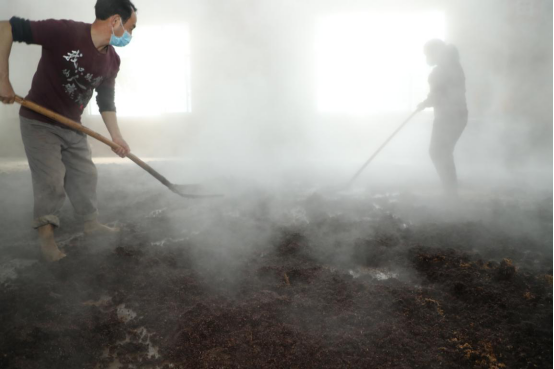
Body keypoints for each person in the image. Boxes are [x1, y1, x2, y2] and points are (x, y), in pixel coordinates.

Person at [0, 0, 138, 262]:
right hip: (38, 121)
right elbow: (5, 28)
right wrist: (2, 79)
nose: (131, 34)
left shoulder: (112, 60)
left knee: (85, 175)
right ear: (115, 21)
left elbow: (105, 101)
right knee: (51, 180)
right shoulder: (65, 32)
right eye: (131, 27)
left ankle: (91, 224)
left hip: (72, 125)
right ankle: (46, 239)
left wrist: (116, 137)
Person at [418, 39, 468, 197]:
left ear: (435, 53)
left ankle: (450, 193)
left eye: (427, 54)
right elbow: (442, 93)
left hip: (448, 117)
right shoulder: (453, 67)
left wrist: (425, 103)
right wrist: (428, 101)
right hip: (457, 115)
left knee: (438, 152)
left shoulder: (441, 71)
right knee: (442, 152)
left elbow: (439, 96)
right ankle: (450, 191)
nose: (426, 58)